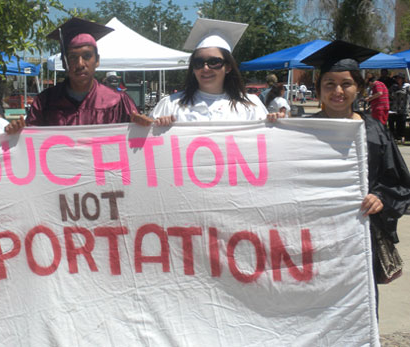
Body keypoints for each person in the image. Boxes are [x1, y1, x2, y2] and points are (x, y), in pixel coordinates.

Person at [295, 40, 410, 312]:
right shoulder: (301, 130)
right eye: (329, 84)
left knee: (360, 304)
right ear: (319, 89)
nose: (338, 91)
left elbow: (399, 183)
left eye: (346, 84)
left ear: (358, 87)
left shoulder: (374, 131)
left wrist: (380, 197)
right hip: (313, 234)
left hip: (359, 234)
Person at [134, 18, 267, 126]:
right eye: (198, 63)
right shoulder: (170, 105)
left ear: (228, 67)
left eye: (214, 62)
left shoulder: (251, 105)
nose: (205, 68)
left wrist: (277, 122)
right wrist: (146, 127)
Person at [26, 18, 140, 126]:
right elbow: (29, 139)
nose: (80, 64)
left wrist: (152, 127)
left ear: (97, 60)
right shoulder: (45, 103)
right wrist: (17, 133)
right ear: (64, 63)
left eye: (87, 56)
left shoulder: (117, 102)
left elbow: (139, 138)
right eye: (73, 57)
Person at [389, 73, 410, 142]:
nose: (398, 80)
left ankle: (401, 136)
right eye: (397, 78)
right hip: (394, 107)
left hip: (403, 107)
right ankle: (394, 136)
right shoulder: (394, 86)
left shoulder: (407, 86)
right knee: (393, 121)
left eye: (399, 78)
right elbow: (390, 94)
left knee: (401, 122)